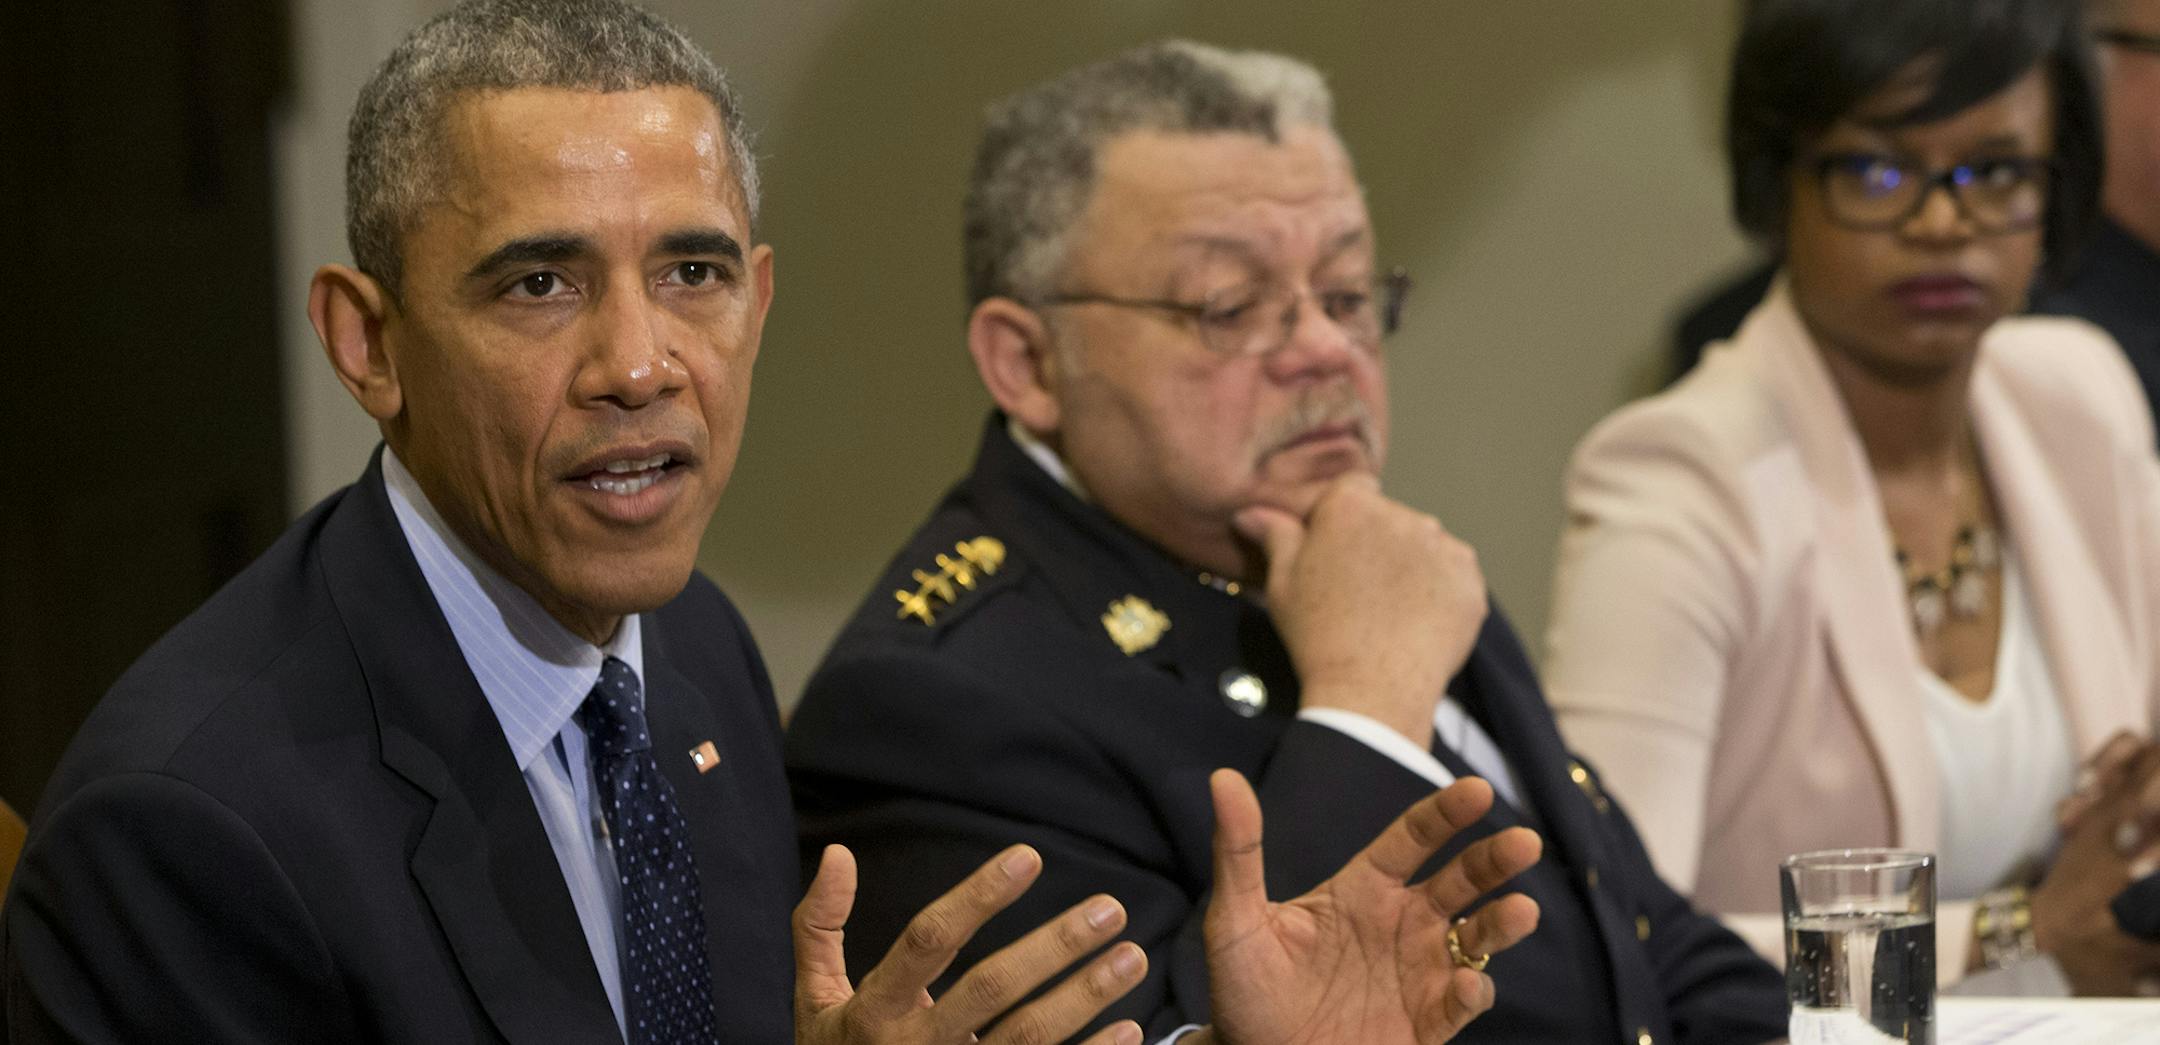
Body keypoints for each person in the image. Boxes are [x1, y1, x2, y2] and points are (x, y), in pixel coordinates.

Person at [0, 3, 1537, 1043]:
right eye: (539, 283)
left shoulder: (692, 652)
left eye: (695, 274)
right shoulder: (188, 832)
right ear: (368, 343)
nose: (640, 364)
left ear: (762, 299)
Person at [785, 40, 1789, 1044]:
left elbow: (1646, 948)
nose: (1324, 348)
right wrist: (1366, 709)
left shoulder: (1350, 547)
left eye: (1349, 294)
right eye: (1228, 306)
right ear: (1027, 363)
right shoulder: (932, 709)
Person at [1544, 0, 2160, 996]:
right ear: (1777, 182)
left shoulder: (2078, 398)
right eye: (1877, 171)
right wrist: (2017, 932)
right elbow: (1610, 939)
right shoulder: (1682, 477)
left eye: (1995, 171)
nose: (1942, 222)